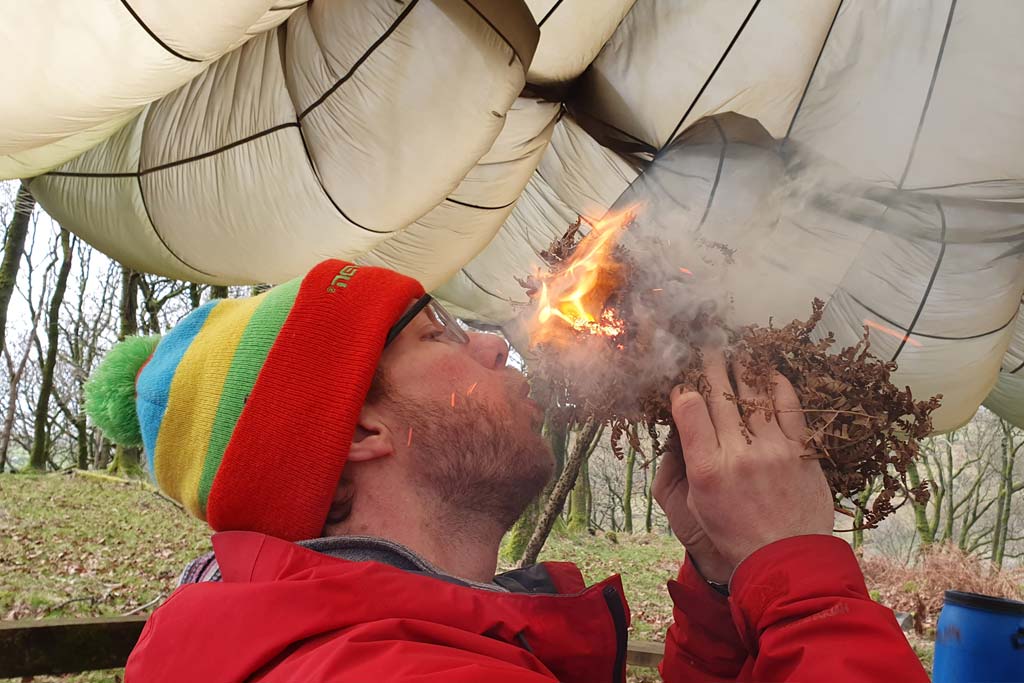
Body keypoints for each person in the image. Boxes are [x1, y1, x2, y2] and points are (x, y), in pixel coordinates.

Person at [86, 259, 928, 682]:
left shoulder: (385, 646)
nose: (494, 342)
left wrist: (720, 588)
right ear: (361, 428)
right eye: (439, 335)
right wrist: (798, 576)